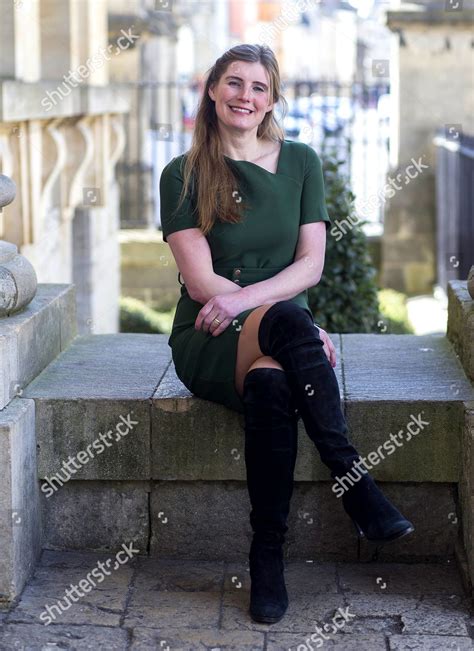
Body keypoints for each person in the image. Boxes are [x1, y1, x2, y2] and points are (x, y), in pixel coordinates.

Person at [159, 43, 414, 625]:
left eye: (258, 87)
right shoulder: (184, 173)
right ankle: (353, 482)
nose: (244, 96)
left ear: (272, 98)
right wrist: (279, 315)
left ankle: (266, 558)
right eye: (234, 83)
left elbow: (311, 265)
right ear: (212, 88)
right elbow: (201, 284)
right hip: (210, 335)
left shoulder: (301, 161)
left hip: (270, 331)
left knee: (275, 391)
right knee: (289, 323)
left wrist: (270, 313)